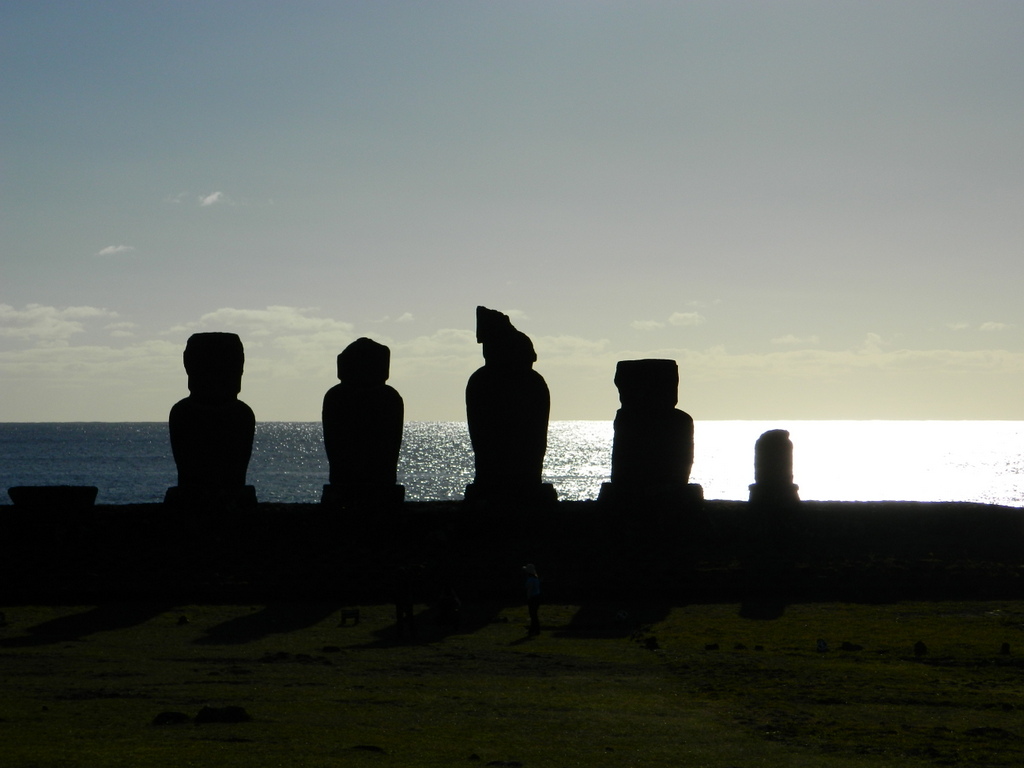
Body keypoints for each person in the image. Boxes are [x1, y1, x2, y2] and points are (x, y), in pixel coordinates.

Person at [523, 564, 541, 635]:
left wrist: (528, 598)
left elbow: (529, 590)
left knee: (533, 615)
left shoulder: (530, 580)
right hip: (537, 597)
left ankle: (535, 630)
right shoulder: (536, 579)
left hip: (533, 598)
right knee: (534, 614)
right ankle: (534, 630)